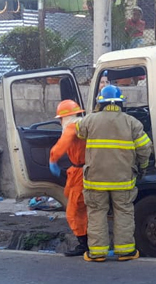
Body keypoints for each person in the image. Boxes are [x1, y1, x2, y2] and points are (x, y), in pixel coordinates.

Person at [75, 85, 152, 262]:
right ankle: (126, 252)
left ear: (100, 104)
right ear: (121, 103)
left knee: (96, 212)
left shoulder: (89, 120)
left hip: (95, 180)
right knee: (123, 211)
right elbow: (145, 148)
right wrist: (143, 165)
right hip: (122, 179)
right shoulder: (132, 122)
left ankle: (97, 253)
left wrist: (94, 113)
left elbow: (78, 131)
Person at [48, 100, 88, 257]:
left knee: (74, 211)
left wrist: (53, 159)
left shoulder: (72, 127)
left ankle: (84, 244)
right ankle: (87, 242)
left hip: (80, 173)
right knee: (77, 204)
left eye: (60, 118)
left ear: (65, 117)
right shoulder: (82, 124)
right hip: (78, 171)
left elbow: (60, 146)